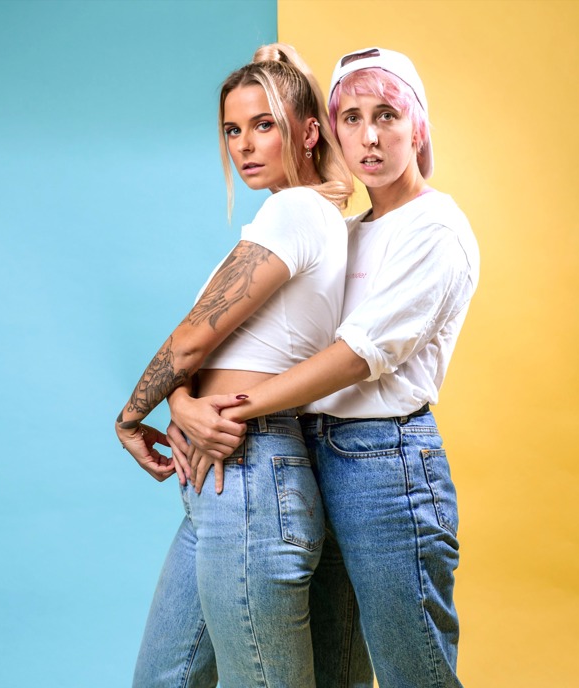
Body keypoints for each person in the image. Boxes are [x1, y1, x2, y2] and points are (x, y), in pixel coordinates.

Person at [169, 47, 480, 688]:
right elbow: (316, 153)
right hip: (310, 455)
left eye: (388, 115)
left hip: (384, 466)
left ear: (418, 126)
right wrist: (184, 402)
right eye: (352, 118)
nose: (369, 137)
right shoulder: (347, 226)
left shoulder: (436, 228)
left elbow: (357, 356)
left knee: (412, 672)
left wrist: (232, 411)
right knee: (336, 674)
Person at [115, 43, 354, 687]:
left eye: (263, 124)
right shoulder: (311, 215)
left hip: (248, 471)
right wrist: (180, 403)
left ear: (308, 132)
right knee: (163, 678)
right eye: (231, 129)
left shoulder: (295, 211)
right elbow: (215, 350)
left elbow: (194, 342)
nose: (243, 145)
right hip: (223, 479)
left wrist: (130, 417)